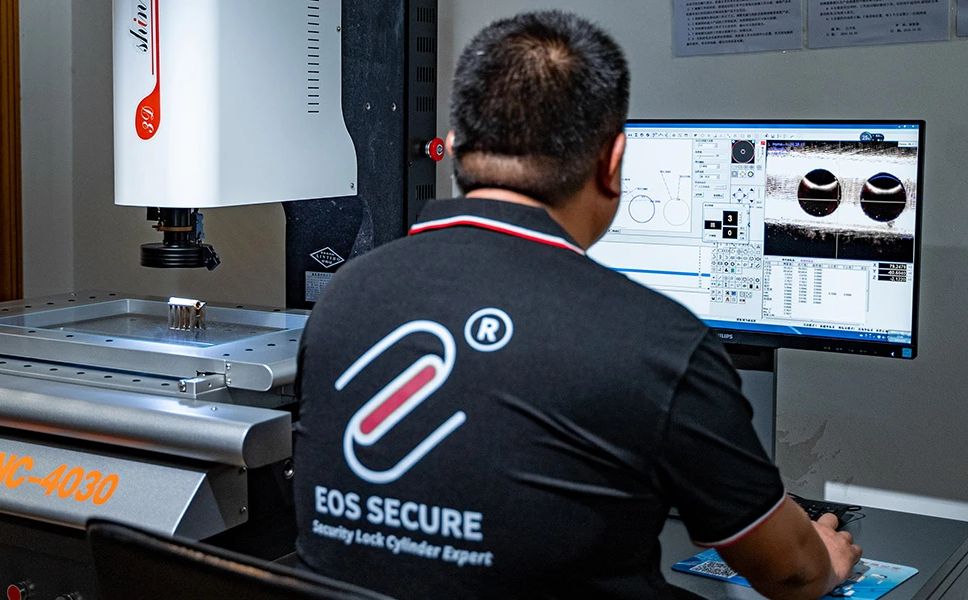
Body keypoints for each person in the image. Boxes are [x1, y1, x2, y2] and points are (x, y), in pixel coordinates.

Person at [291, 10, 861, 600]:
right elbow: (792, 574)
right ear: (612, 162)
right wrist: (825, 557)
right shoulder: (655, 339)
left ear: (456, 148)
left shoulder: (343, 295)